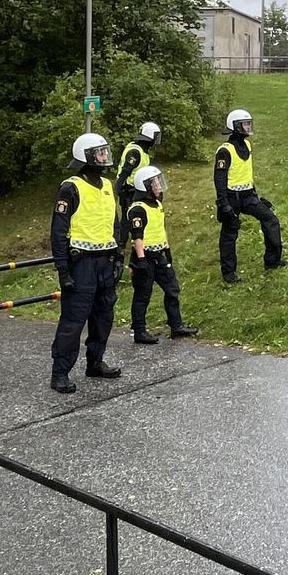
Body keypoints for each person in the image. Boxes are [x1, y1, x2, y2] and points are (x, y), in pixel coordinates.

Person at [49, 133, 121, 392]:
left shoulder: (107, 185)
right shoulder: (70, 187)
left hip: (105, 260)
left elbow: (114, 223)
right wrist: (63, 270)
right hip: (81, 263)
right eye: (99, 153)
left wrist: (118, 255)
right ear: (86, 157)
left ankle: (96, 361)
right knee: (74, 319)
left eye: (104, 152)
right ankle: (60, 372)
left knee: (104, 316)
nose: (104, 157)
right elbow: (58, 232)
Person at [126, 166, 199, 344]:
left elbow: (160, 229)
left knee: (172, 289)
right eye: (155, 182)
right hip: (144, 256)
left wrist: (167, 250)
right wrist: (141, 260)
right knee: (143, 294)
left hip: (159, 254)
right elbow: (137, 237)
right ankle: (139, 331)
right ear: (145, 186)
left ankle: (176, 326)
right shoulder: (138, 209)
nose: (159, 185)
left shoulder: (157, 205)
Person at [214, 109, 287, 284]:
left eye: (248, 123)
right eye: (245, 124)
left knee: (271, 220)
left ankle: (272, 261)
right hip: (231, 197)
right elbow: (219, 179)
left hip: (248, 196)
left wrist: (256, 195)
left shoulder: (247, 146)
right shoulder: (225, 151)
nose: (248, 127)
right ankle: (229, 273)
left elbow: (246, 173)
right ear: (236, 126)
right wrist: (224, 204)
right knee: (229, 234)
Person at [113, 122, 161, 255]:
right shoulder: (135, 152)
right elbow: (125, 172)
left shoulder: (142, 151)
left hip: (136, 189)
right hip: (128, 190)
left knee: (136, 216)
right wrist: (117, 190)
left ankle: (136, 241)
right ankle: (120, 246)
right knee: (128, 220)